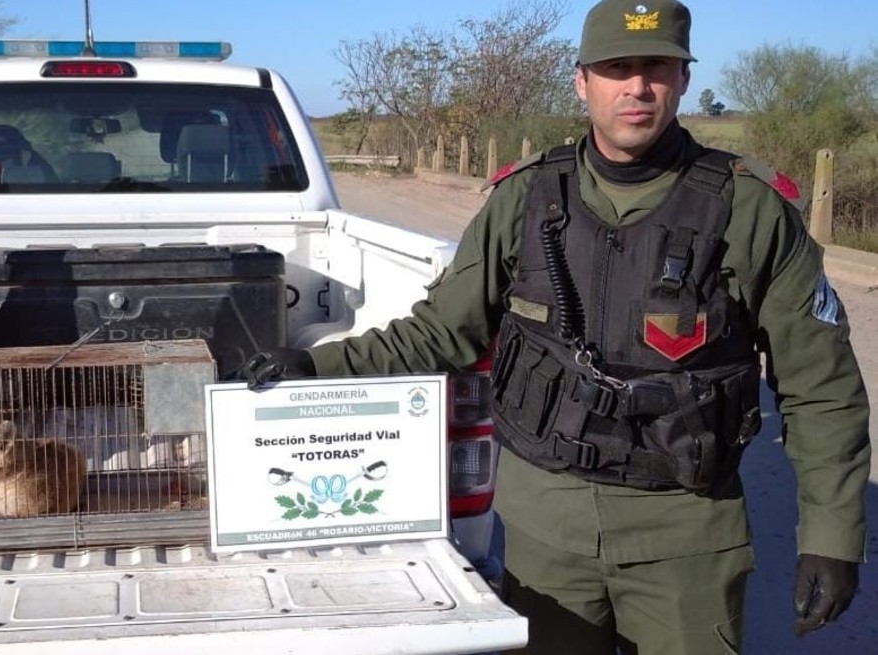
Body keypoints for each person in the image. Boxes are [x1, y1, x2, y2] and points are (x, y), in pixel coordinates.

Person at [241, 0, 870, 652]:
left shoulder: (750, 210)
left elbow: (821, 388)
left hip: (686, 536)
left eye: (656, 67)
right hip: (545, 535)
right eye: (615, 67)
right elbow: (441, 331)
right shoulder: (526, 196)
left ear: (682, 79)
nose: (636, 86)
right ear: (582, 81)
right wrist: (315, 364)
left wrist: (832, 536)